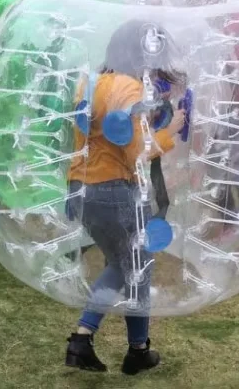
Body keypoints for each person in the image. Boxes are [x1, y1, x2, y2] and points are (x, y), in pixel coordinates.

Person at [64, 20, 189, 376]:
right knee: (131, 265)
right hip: (114, 189)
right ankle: (83, 338)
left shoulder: (92, 81)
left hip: (81, 187)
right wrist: (170, 131)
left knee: (129, 264)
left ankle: (137, 351)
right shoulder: (128, 87)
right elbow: (134, 151)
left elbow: (101, 134)